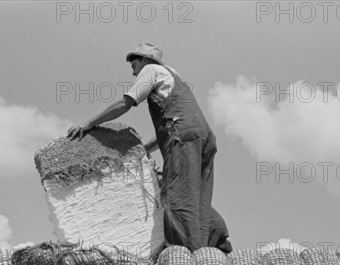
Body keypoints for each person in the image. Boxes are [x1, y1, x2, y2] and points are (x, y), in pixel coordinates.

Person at [68, 43, 232, 254]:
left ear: (145, 60)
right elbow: (174, 124)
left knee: (177, 197)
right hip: (204, 138)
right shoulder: (173, 74)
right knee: (197, 200)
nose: (133, 71)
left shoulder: (150, 70)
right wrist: (144, 149)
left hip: (183, 138)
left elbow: (126, 103)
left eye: (134, 64)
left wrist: (89, 123)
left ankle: (181, 257)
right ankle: (206, 255)